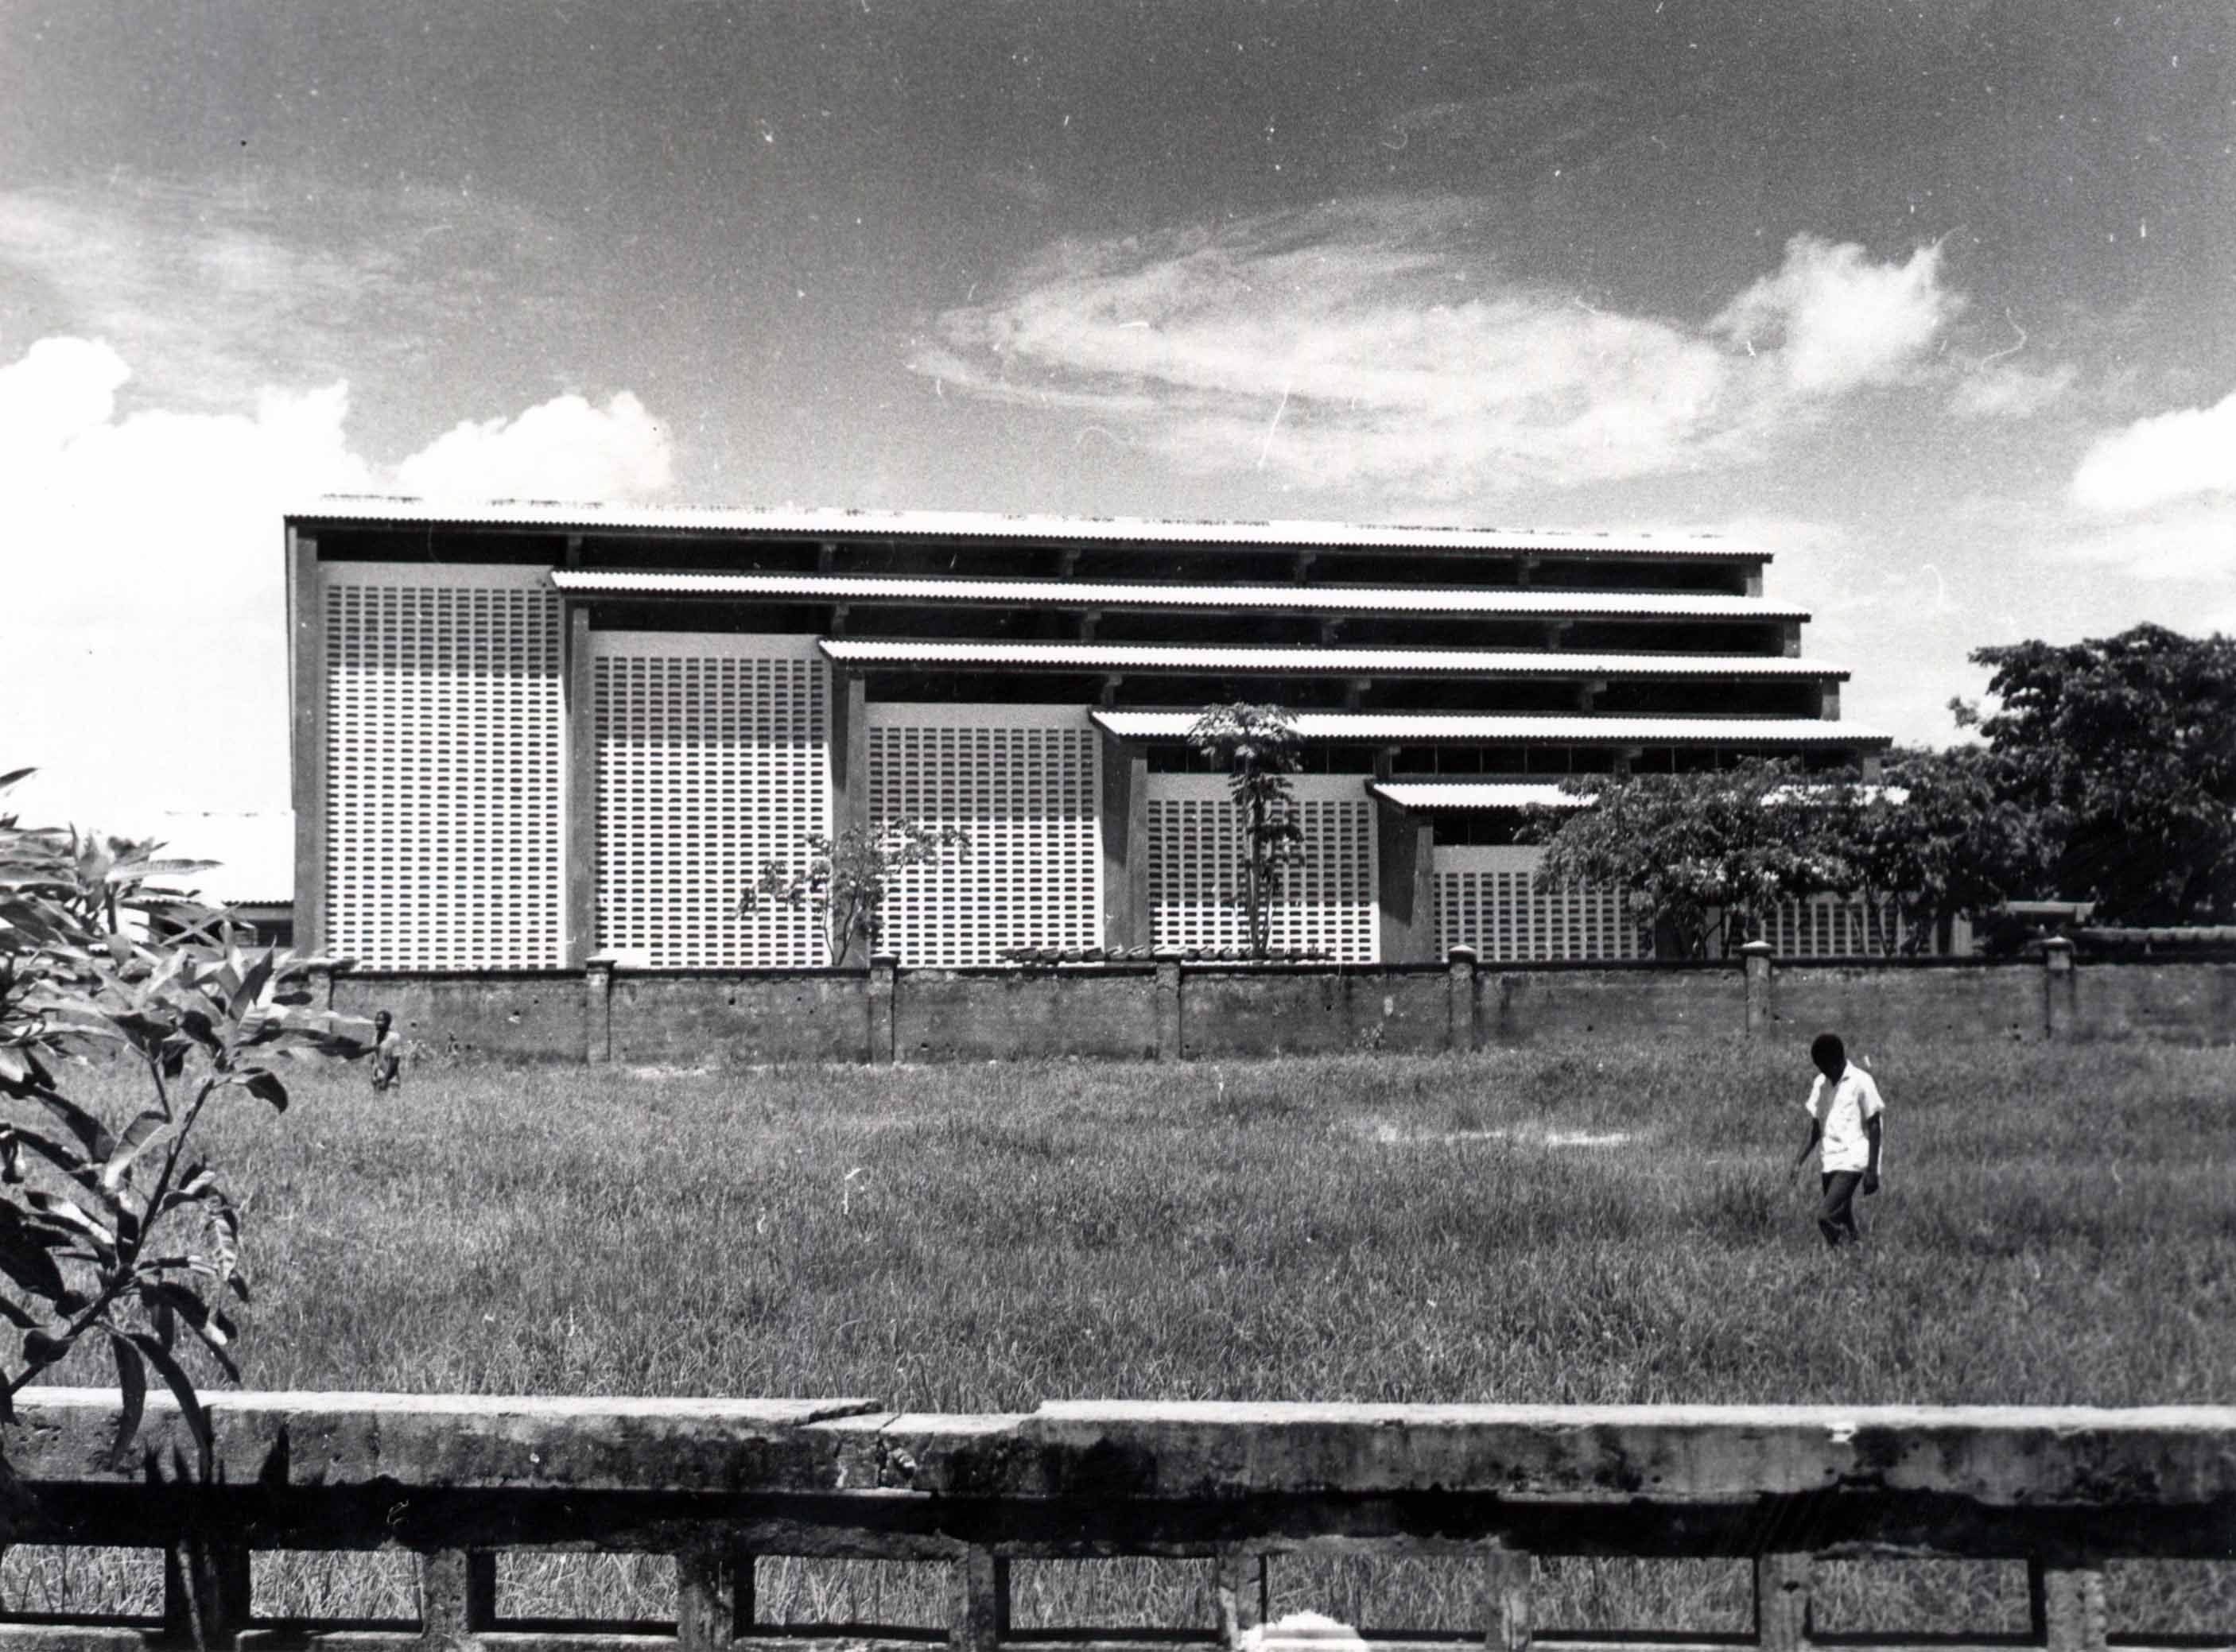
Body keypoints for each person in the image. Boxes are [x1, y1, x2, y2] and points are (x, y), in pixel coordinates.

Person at [1791, 1030, 1883, 1247]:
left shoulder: (1861, 1081)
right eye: (1820, 1069)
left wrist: (1872, 1170)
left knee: (1826, 1216)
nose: (1824, 1073)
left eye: (1826, 1067)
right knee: (1844, 1219)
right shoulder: (1820, 1084)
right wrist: (1798, 1162)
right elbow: (1815, 1128)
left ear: (1838, 1060)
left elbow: (1875, 1125)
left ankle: (1846, 1253)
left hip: (1852, 1161)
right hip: (1829, 1161)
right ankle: (1859, 1257)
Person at [370, 1010, 404, 1092]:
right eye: (376, 1020)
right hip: (378, 1081)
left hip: (391, 1082)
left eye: (381, 1020)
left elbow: (395, 1061)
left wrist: (386, 1080)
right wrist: (373, 1076)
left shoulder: (394, 1037)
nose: (378, 1022)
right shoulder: (375, 1038)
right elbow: (373, 1060)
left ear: (388, 1022)